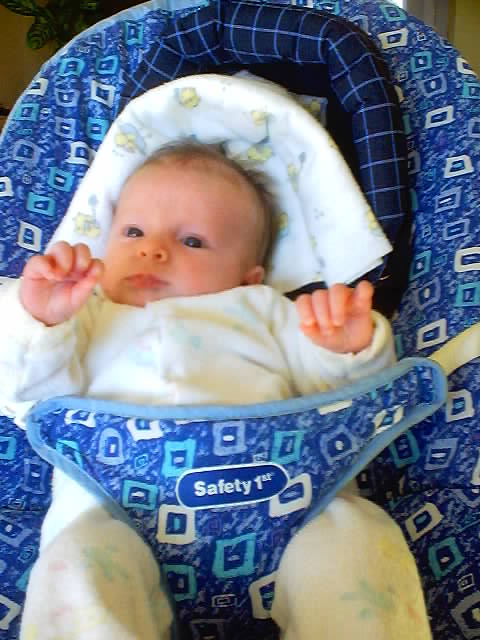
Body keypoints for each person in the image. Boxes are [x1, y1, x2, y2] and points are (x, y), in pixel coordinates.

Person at [0, 143, 431, 640]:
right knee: (74, 568)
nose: (152, 249)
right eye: (133, 231)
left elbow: (345, 408)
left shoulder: (266, 311)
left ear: (249, 276)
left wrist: (346, 349)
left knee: (358, 544)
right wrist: (40, 320)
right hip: (115, 514)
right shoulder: (85, 317)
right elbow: (29, 400)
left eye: (192, 241)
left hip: (290, 506)